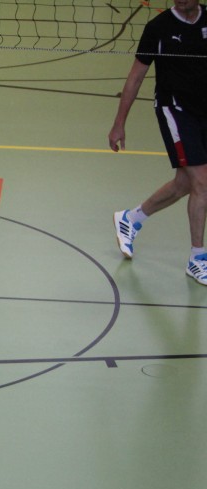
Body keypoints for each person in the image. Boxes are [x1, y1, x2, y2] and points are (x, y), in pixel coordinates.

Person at [108, 0, 207, 284]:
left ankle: (131, 219)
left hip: (204, 110)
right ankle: (198, 258)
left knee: (185, 183)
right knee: (202, 181)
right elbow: (135, 78)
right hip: (174, 110)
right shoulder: (158, 28)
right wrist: (119, 123)